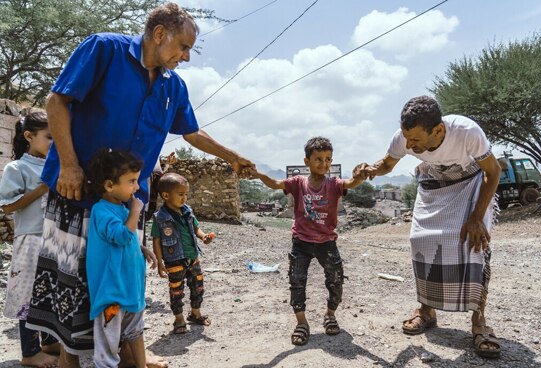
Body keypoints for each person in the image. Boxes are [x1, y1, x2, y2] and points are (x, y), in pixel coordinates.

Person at [25, 3, 254, 367]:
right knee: (75, 279)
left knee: (127, 277)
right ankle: (71, 359)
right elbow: (57, 101)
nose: (187, 57)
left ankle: (134, 356)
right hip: (77, 189)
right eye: (183, 46)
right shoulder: (104, 49)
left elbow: (191, 131)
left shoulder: (173, 86)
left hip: (130, 201)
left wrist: (232, 156)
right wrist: (68, 165)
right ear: (160, 34)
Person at [360, 96, 502, 358]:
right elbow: (388, 164)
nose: (409, 144)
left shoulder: (467, 132)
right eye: (406, 138)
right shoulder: (403, 137)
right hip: (433, 183)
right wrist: (370, 169)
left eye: (414, 140)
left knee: (473, 244)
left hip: (471, 182)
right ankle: (427, 311)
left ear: (437, 130)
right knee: (420, 242)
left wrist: (476, 217)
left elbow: (493, 172)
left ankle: (479, 322)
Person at [250, 137, 366, 346]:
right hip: (301, 242)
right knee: (297, 281)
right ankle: (301, 323)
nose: (324, 164)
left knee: (336, 279)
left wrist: (361, 176)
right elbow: (276, 183)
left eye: (328, 159)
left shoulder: (334, 184)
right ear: (307, 161)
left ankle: (330, 315)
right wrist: (258, 173)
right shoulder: (298, 183)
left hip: (327, 242)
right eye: (318, 159)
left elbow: (352, 182)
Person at [0, 112, 59, 367]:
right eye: (49, 137)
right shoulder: (16, 168)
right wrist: (42, 189)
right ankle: (29, 352)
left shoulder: (53, 165)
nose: (53, 143)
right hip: (31, 240)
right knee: (29, 297)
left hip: (53, 239)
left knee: (49, 294)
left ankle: (48, 342)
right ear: (29, 136)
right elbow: (8, 207)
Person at [85, 149, 147, 368]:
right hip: (112, 293)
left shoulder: (121, 209)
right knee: (107, 347)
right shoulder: (101, 211)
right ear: (109, 185)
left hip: (131, 288)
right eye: (131, 181)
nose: (137, 187)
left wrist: (142, 249)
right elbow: (120, 236)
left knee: (136, 332)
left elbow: (125, 239)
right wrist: (136, 211)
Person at [151, 173, 214, 334]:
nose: (184, 198)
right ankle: (179, 319)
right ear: (166, 195)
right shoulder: (160, 218)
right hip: (174, 260)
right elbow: (156, 240)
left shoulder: (188, 212)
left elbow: (196, 228)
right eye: (180, 194)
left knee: (198, 287)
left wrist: (203, 236)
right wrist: (159, 262)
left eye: (186, 194)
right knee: (176, 290)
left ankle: (195, 313)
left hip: (193, 257)